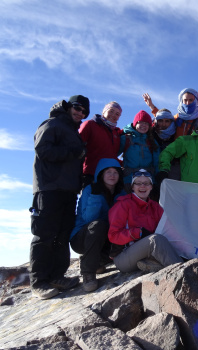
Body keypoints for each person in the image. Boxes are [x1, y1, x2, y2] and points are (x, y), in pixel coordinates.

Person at [30, 95, 90, 299]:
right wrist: (74, 152)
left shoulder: (73, 131)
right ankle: (39, 282)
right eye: (77, 108)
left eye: (84, 111)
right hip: (48, 188)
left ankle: (57, 276)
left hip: (68, 190)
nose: (80, 113)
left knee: (62, 235)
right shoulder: (52, 124)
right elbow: (42, 149)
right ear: (68, 107)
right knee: (44, 234)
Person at [108, 170, 182, 272]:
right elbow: (113, 236)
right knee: (155, 240)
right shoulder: (123, 204)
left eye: (146, 183)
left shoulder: (155, 206)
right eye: (138, 183)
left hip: (146, 253)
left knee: (175, 241)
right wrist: (138, 232)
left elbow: (169, 228)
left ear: (151, 187)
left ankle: (153, 264)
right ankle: (181, 273)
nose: (142, 186)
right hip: (123, 256)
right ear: (132, 187)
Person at [70, 158, 125, 292]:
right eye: (108, 172)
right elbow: (89, 219)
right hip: (82, 237)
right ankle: (88, 273)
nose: (112, 175)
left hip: (105, 236)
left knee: (123, 234)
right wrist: (95, 195)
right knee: (98, 225)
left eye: (115, 172)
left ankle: (98, 262)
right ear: (101, 174)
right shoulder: (91, 189)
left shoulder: (121, 193)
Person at [79, 101, 123, 188]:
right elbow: (77, 147)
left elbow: (111, 155)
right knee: (89, 201)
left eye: (117, 114)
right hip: (91, 174)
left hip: (110, 177)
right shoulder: (90, 125)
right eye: (111, 111)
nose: (113, 115)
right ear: (104, 111)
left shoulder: (116, 133)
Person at [119, 110, 160, 193]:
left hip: (147, 179)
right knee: (126, 201)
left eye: (146, 123)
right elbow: (112, 154)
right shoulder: (126, 139)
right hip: (129, 179)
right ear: (135, 124)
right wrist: (120, 169)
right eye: (141, 122)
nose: (143, 125)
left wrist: (156, 181)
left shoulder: (151, 141)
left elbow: (157, 163)